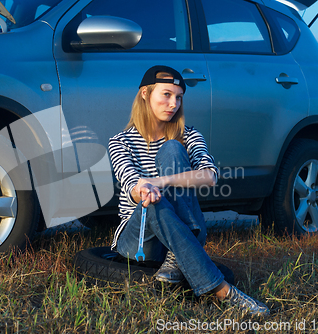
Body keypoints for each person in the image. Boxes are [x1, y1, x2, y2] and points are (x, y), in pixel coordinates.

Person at [108, 65, 269, 317]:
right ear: (145, 94)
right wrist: (145, 189)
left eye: (179, 97)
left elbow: (210, 176)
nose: (173, 103)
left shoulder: (189, 135)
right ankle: (223, 290)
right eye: (166, 94)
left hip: (173, 236)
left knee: (172, 149)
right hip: (140, 240)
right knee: (154, 203)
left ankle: (176, 257)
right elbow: (131, 184)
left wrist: (162, 181)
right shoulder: (121, 141)